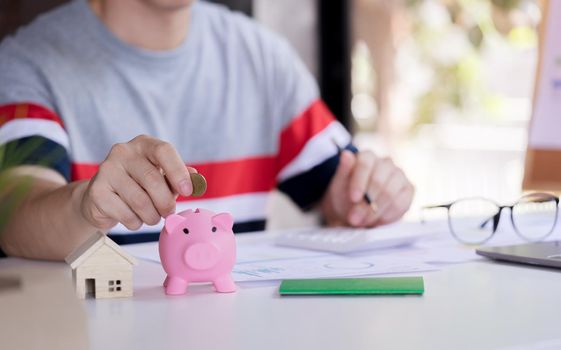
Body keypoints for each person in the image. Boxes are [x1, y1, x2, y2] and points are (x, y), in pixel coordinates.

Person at [0, 0, 414, 261]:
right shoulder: (25, 64)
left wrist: (370, 193)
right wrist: (86, 205)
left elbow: (345, 190)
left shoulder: (262, 58)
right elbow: (13, 217)